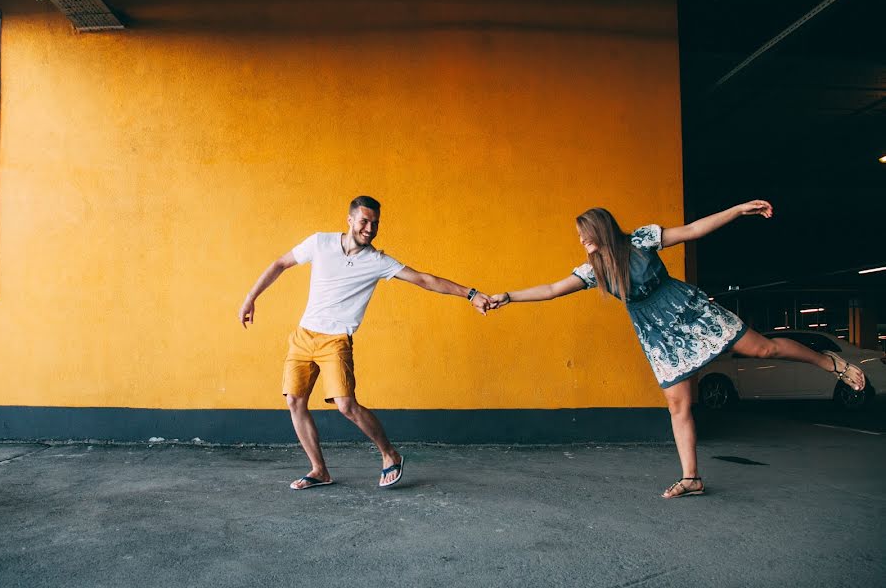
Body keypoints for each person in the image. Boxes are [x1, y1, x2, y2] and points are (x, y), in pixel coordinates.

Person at [486, 200, 865, 498]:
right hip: (658, 335)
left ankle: (828, 362)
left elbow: (695, 229)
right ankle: (692, 478)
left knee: (763, 349)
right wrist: (508, 296)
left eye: (584, 234)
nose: (581, 241)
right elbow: (552, 290)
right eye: (579, 236)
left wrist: (736, 210)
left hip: (688, 311)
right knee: (678, 404)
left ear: (601, 229)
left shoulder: (642, 239)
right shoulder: (593, 270)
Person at [239, 196, 491, 490]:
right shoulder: (320, 243)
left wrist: (471, 294)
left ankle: (390, 454)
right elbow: (281, 263)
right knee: (294, 400)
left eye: (375, 224)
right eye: (364, 222)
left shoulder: (377, 261)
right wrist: (250, 298)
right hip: (304, 335)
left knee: (346, 405)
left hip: (335, 341)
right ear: (349, 220)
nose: (370, 229)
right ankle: (319, 470)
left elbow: (423, 279)